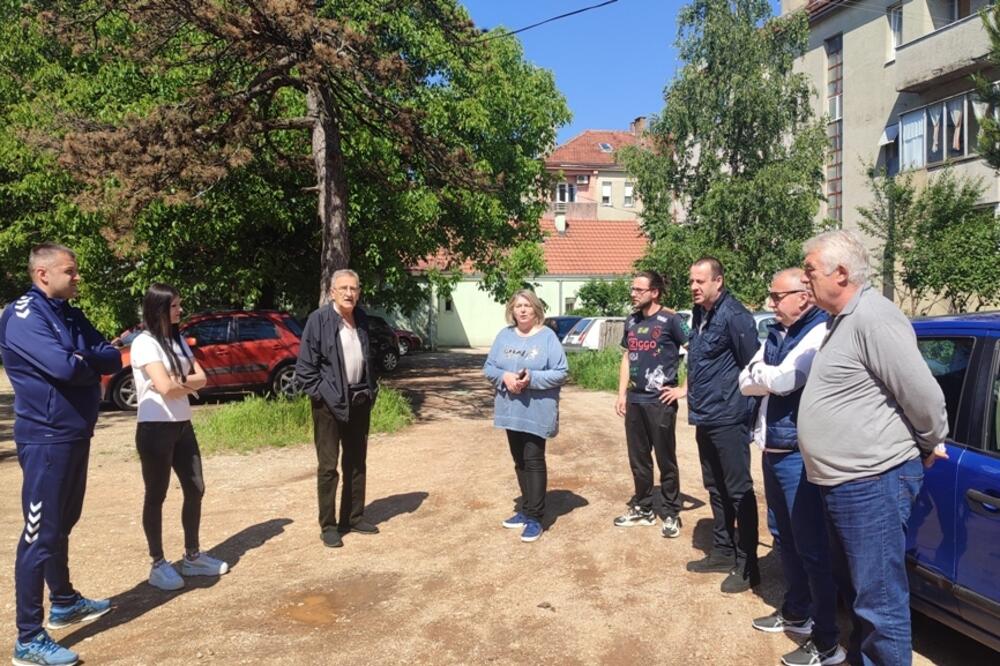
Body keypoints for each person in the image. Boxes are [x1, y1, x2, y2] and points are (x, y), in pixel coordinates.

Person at [798, 230, 947, 666]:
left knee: (880, 607)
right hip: (845, 484)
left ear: (841, 273)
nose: (805, 278)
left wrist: (928, 443)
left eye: (809, 270)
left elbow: (925, 397)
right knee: (861, 598)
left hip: (873, 483)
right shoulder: (841, 320)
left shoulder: (874, 318)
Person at [0, 244, 122, 666]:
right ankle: (28, 639)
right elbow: (66, 369)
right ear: (43, 274)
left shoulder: (67, 311)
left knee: (62, 524)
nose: (77, 278)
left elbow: (110, 355)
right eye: (70, 271)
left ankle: (64, 601)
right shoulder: (22, 316)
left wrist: (81, 357)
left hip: (75, 432)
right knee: (39, 534)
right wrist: (84, 360)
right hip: (46, 438)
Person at [738, 269, 844, 666]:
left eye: (776, 295)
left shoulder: (819, 332)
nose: (770, 303)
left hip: (798, 453)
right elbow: (743, 381)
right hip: (773, 447)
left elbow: (786, 380)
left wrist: (762, 375)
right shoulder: (777, 332)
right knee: (783, 535)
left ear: (804, 297)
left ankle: (827, 639)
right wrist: (763, 376)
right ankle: (798, 611)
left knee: (812, 546)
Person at [130, 284, 228, 591]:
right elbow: (164, 387)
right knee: (156, 495)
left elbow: (202, 377)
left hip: (183, 425)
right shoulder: (144, 344)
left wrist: (178, 382)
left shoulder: (178, 340)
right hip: (155, 428)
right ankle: (158, 563)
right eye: (174, 306)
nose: (180, 311)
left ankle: (192, 555)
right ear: (158, 308)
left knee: (196, 487)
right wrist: (183, 384)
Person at [685, 256, 761, 594]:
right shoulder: (700, 314)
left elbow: (753, 367)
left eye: (701, 281)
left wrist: (750, 415)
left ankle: (748, 566)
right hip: (705, 415)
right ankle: (722, 551)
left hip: (729, 418)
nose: (694, 287)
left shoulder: (735, 316)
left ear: (719, 281)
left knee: (738, 490)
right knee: (715, 487)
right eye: (691, 282)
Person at [296, 269, 380, 549]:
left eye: (353, 288)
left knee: (357, 462)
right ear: (332, 292)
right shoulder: (318, 321)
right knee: (329, 467)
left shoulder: (362, 318)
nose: (349, 293)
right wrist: (324, 395)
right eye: (343, 288)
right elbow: (305, 370)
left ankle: (353, 517)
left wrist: (371, 388)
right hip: (328, 406)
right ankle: (329, 525)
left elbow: (369, 357)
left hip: (359, 401)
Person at [483, 289, 568, 542]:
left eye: (527, 306)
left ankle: (535, 517)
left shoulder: (547, 337)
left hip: (536, 411)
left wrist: (532, 379)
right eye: (518, 305)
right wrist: (505, 377)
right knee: (519, 460)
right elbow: (489, 367)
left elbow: (561, 371)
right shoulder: (504, 336)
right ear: (512, 309)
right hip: (511, 410)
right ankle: (526, 508)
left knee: (533, 459)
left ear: (536, 310)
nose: (522, 310)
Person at [612, 271, 688, 538]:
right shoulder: (631, 320)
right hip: (635, 400)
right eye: (632, 289)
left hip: (660, 402)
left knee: (666, 459)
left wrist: (683, 389)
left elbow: (697, 351)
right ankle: (644, 509)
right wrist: (621, 394)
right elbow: (626, 357)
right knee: (639, 459)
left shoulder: (671, 319)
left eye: (638, 290)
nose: (633, 294)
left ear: (654, 292)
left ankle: (670, 513)